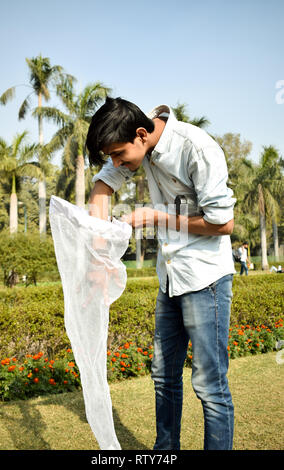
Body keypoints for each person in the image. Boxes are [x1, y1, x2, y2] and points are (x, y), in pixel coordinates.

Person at [86, 97, 236, 450]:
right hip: (170, 278)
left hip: (206, 279)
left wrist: (154, 217)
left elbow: (224, 223)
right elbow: (101, 189)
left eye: (119, 155)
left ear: (141, 135)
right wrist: (97, 257)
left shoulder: (195, 148)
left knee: (209, 386)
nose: (117, 164)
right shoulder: (139, 143)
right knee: (164, 380)